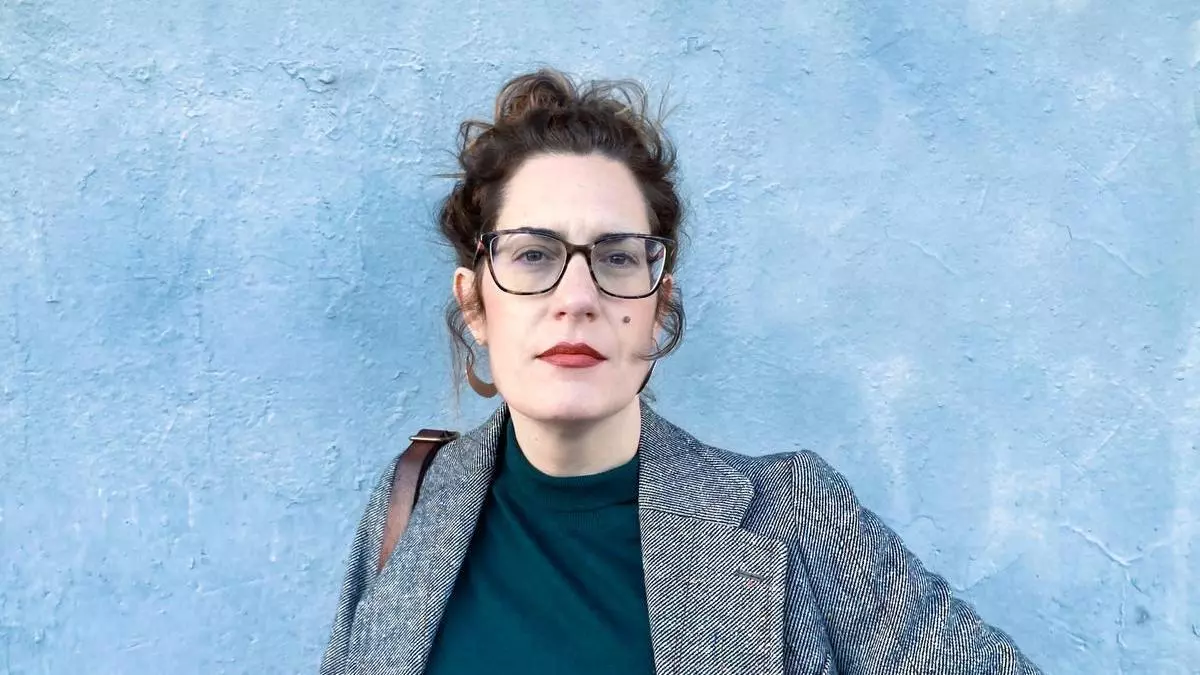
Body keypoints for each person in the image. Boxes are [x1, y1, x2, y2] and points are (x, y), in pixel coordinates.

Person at [319, 68, 1042, 675]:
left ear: (657, 307)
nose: (578, 297)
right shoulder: (413, 502)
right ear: (476, 303)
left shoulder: (789, 514)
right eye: (534, 254)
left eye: (617, 257)